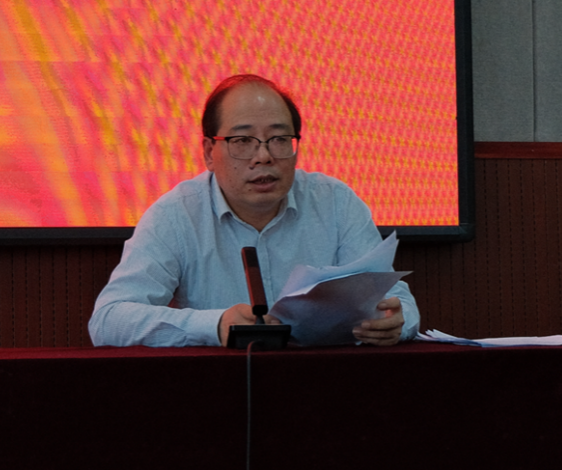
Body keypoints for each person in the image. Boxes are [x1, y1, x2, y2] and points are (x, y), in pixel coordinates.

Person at [88, 74, 419, 347]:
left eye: (279, 139)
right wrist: (216, 325)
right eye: (243, 141)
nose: (264, 156)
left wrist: (394, 322)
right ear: (209, 152)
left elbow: (400, 305)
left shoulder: (336, 202)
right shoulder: (177, 215)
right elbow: (108, 320)